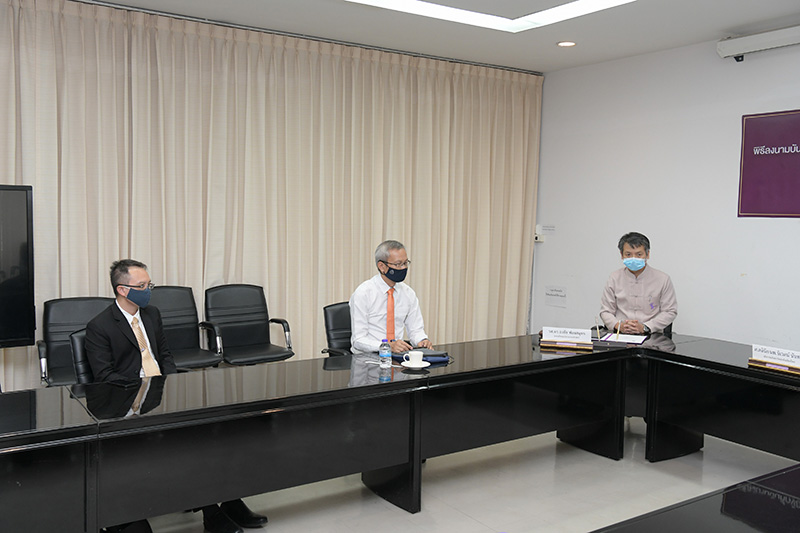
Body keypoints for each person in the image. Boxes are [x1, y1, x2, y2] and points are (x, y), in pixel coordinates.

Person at [86, 259, 267, 533]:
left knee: (219, 434)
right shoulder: (99, 326)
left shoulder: (152, 314)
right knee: (185, 448)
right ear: (122, 290)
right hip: (129, 404)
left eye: (150, 285)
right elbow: (105, 376)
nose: (148, 291)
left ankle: (229, 500)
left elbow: (165, 356)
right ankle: (211, 511)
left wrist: (173, 387)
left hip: (162, 395)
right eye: (142, 286)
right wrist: (145, 388)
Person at [349, 240, 433, 354]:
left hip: (397, 356)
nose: (403, 268)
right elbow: (358, 341)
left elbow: (415, 330)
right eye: (398, 264)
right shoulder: (363, 293)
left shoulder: (408, 293)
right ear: (382, 266)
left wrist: (422, 340)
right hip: (367, 358)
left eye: (405, 263)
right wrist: (387, 346)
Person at [600, 232, 677, 335]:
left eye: (639, 254)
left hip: (651, 335)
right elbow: (605, 311)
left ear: (647, 254)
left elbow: (670, 311)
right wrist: (619, 326)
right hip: (620, 334)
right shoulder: (614, 278)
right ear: (621, 255)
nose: (633, 258)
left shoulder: (663, 279)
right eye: (628, 254)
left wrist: (646, 327)